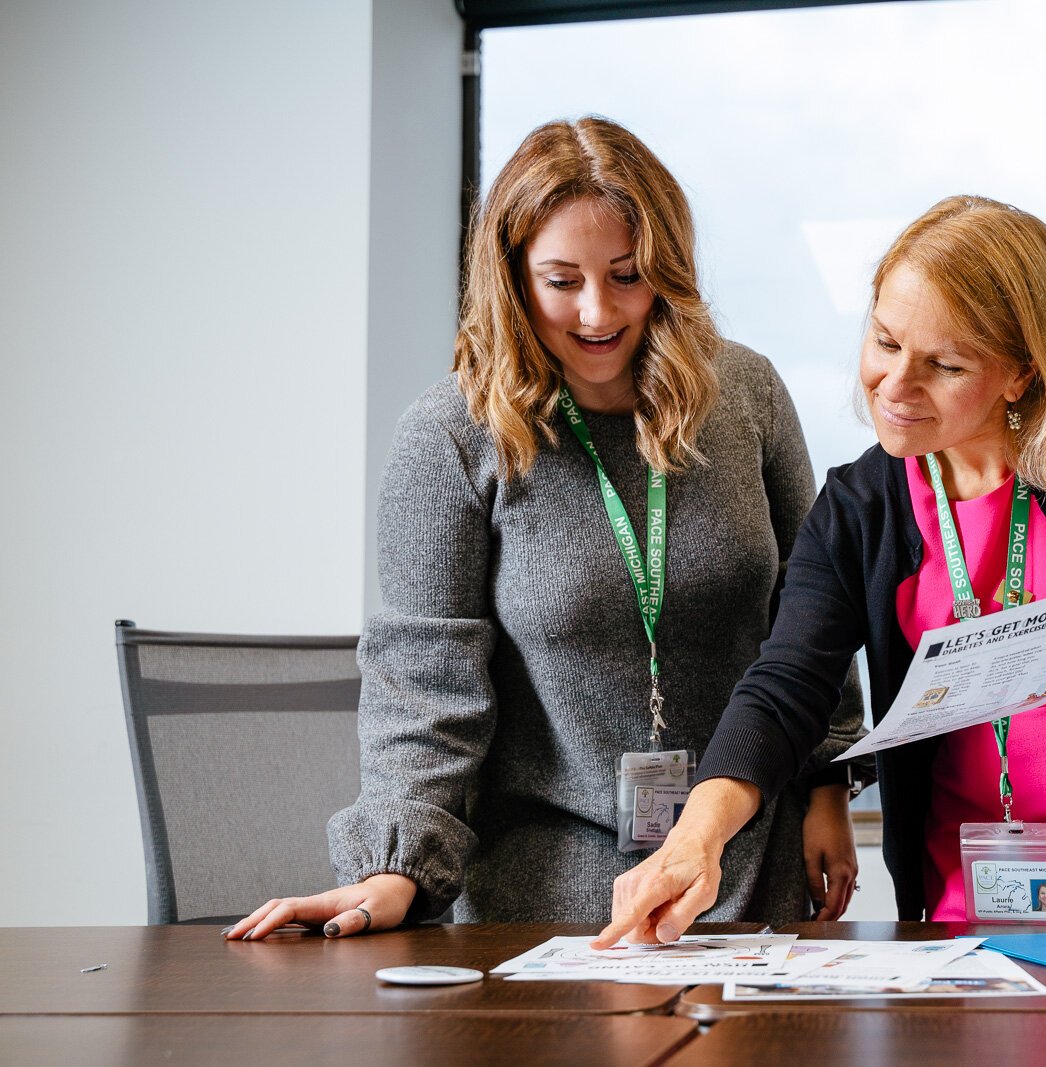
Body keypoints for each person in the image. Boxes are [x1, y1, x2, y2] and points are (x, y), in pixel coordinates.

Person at [226, 117, 864, 941]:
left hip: (745, 867)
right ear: (511, 276)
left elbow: (810, 618)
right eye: (562, 281)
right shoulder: (450, 437)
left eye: (627, 275)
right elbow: (425, 688)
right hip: (546, 902)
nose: (597, 311)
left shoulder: (747, 395)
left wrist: (827, 791)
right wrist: (394, 868)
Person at [597, 195, 1046, 947]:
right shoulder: (861, 504)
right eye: (885, 341)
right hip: (973, 917)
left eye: (945, 364)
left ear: (1021, 372)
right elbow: (785, 687)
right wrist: (698, 835)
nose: (894, 385)